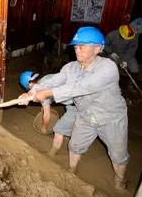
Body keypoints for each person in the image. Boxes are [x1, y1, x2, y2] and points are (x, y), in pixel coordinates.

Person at [22, 26, 129, 190]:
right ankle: (72, 171)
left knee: (118, 154)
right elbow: (55, 80)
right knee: (75, 146)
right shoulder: (71, 67)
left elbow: (82, 87)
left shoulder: (108, 68)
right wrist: (32, 92)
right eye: (76, 46)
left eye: (82, 47)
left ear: (98, 49)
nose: (77, 50)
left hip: (111, 118)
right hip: (84, 116)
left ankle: (119, 181)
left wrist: (47, 93)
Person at [19, 70, 78, 156]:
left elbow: (47, 115)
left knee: (59, 129)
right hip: (75, 97)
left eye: (28, 88)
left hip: (77, 104)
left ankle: (51, 155)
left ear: (29, 85)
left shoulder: (42, 92)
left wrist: (44, 127)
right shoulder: (47, 78)